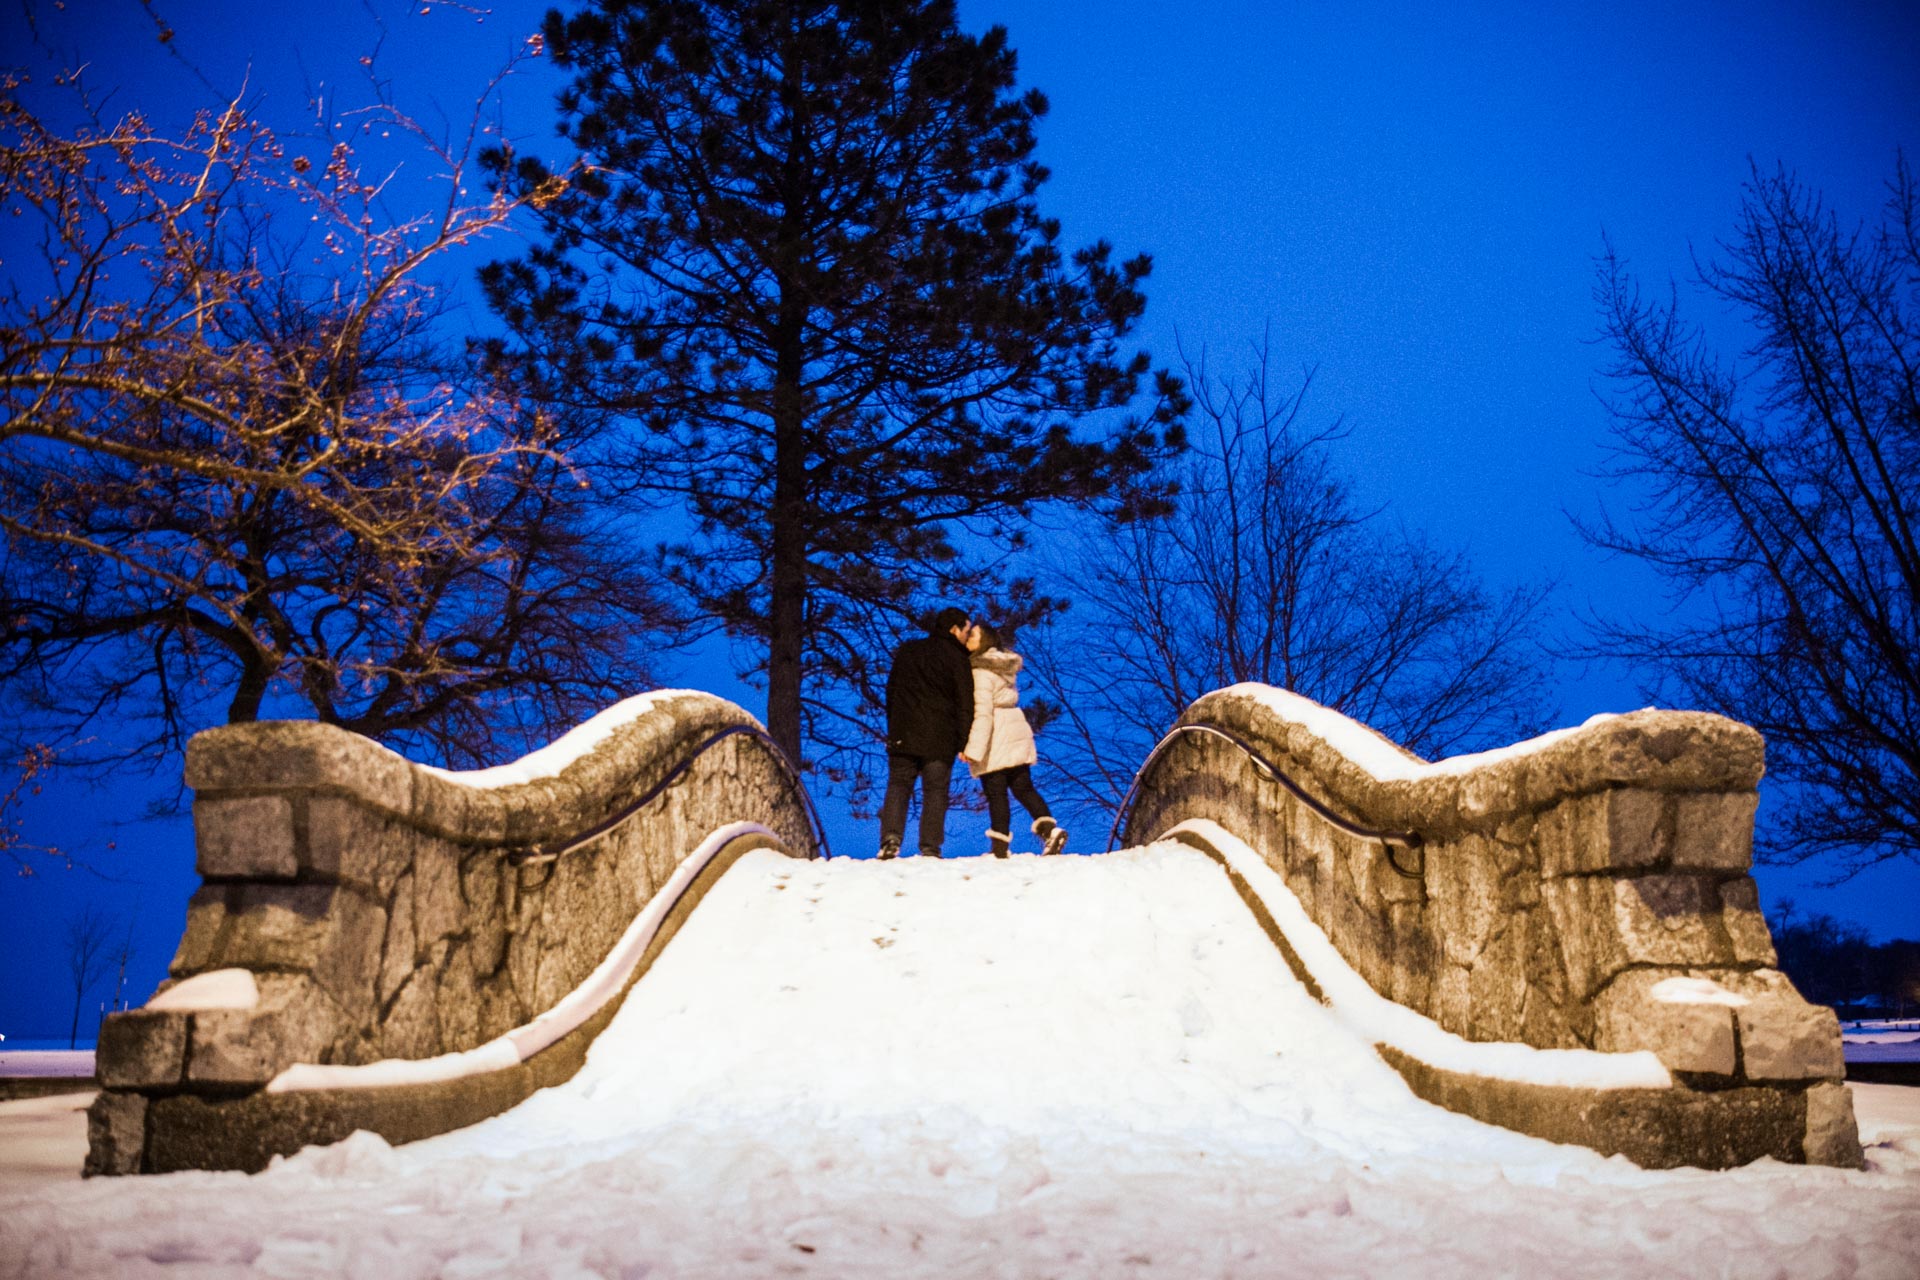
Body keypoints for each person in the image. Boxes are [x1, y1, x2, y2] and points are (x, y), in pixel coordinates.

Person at [877, 606, 975, 859]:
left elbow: (891, 691)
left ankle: (890, 839)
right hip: (940, 737)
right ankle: (930, 847)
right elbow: (965, 703)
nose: (968, 635)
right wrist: (964, 741)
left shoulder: (908, 650)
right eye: (966, 630)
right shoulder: (957, 657)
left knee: (898, 785)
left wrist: (894, 725)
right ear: (954, 629)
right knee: (935, 791)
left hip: (903, 731)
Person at [963, 620, 1066, 858]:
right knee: (1024, 788)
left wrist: (973, 750)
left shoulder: (980, 673)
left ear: (985, 641)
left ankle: (999, 849)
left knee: (996, 792)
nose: (969, 638)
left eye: (974, 635)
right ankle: (1050, 831)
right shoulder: (1003, 668)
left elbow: (983, 714)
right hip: (1016, 729)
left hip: (996, 736)